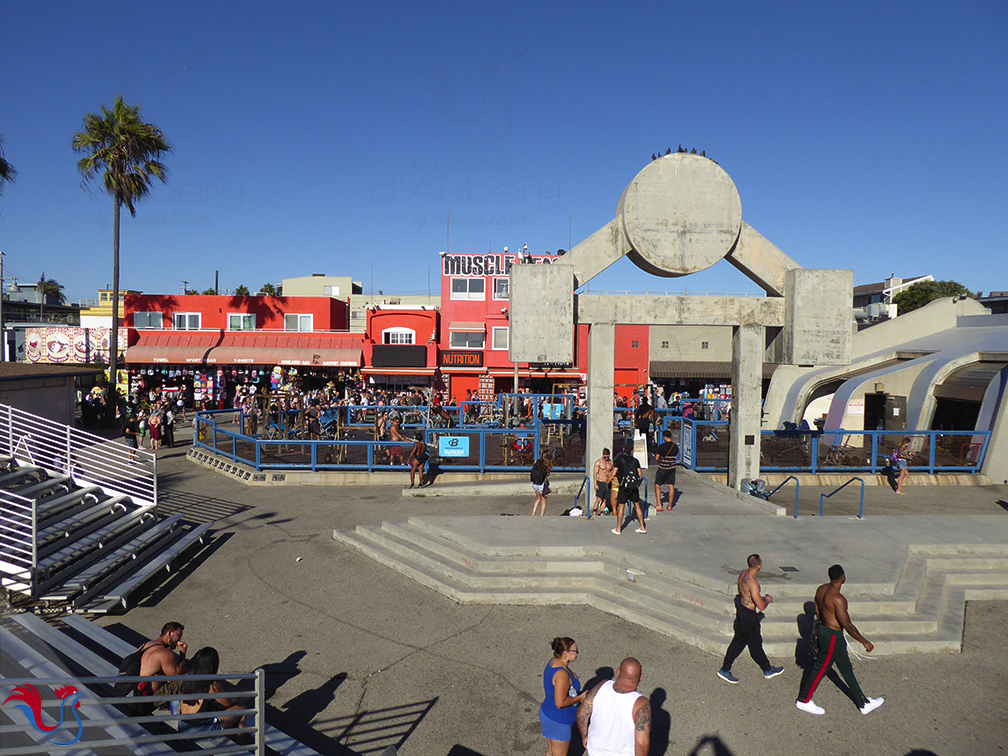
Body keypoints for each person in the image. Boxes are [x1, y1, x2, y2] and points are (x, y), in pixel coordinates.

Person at [796, 564, 884, 715]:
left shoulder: (821, 589)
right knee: (821, 668)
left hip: (825, 630)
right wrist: (864, 641)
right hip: (832, 636)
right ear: (843, 577)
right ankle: (803, 700)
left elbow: (817, 609)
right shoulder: (838, 599)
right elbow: (847, 625)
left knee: (846, 668)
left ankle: (862, 702)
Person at [717, 554, 784, 683]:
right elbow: (761, 606)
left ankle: (767, 668)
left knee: (755, 643)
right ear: (760, 565)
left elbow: (740, 592)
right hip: (749, 615)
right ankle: (725, 670)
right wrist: (767, 600)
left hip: (743, 610)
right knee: (739, 643)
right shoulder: (753, 582)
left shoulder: (743, 574)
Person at [577, 657, 650, 756]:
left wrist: (585, 735)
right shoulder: (641, 704)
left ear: (618, 672)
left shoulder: (602, 686)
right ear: (641, 677)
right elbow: (641, 744)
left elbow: (582, 713)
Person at [177, 647, 246, 733]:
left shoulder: (186, 678)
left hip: (182, 726)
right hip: (199, 730)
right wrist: (237, 699)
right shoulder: (211, 685)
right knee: (242, 709)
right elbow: (227, 703)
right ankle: (239, 744)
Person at [538, 637, 587, 756]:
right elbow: (560, 703)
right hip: (559, 722)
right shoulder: (562, 674)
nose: (577, 654)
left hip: (548, 714)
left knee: (550, 753)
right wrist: (580, 698)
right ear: (565, 654)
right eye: (575, 651)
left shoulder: (553, 662)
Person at [130, 621, 187, 714]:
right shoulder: (165, 653)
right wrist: (183, 653)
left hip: (137, 691)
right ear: (169, 633)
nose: (180, 639)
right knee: (185, 680)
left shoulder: (148, 644)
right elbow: (177, 676)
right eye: (178, 635)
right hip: (150, 698)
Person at [611, 451, 646, 535]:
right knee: (637, 506)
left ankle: (618, 529)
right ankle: (642, 526)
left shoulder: (619, 461)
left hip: (623, 487)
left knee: (621, 507)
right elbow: (640, 474)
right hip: (634, 487)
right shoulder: (635, 461)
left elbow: (614, 473)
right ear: (631, 451)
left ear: (623, 450)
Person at [653, 430, 678, 511]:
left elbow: (657, 458)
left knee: (657, 485)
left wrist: (659, 461)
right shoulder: (675, 446)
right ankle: (670, 506)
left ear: (664, 437)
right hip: (672, 468)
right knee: (671, 486)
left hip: (662, 469)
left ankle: (659, 505)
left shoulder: (661, 447)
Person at [591, 448, 615, 517]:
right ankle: (594, 514)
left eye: (608, 457)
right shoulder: (598, 462)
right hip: (601, 482)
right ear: (602, 455)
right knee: (598, 499)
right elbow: (595, 474)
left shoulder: (611, 462)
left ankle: (602, 514)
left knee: (605, 500)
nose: (606, 459)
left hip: (607, 483)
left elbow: (613, 472)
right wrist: (595, 484)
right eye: (605, 457)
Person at [531, 450, 553, 516]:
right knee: (544, 501)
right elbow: (547, 474)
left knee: (538, 499)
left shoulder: (536, 461)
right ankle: (541, 515)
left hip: (535, 483)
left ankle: (533, 513)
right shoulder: (547, 465)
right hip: (542, 484)